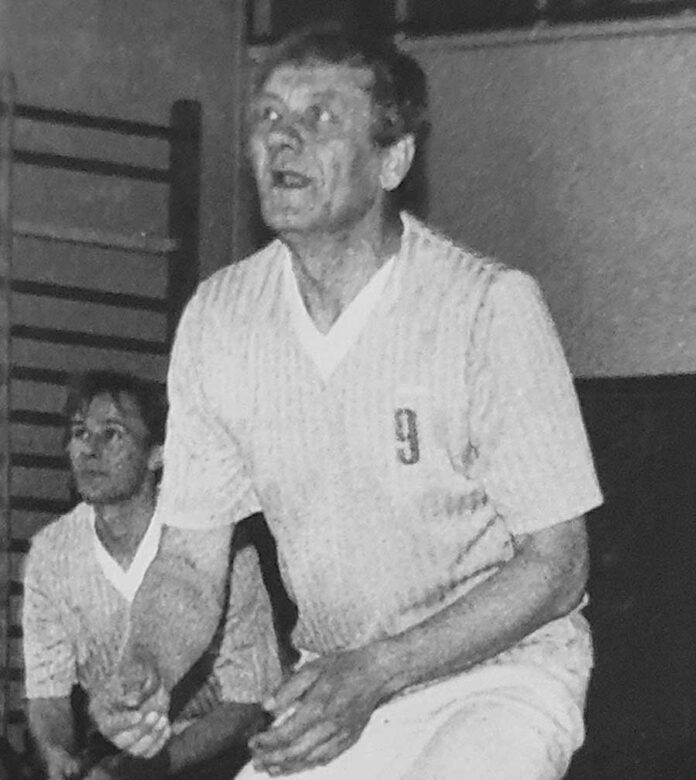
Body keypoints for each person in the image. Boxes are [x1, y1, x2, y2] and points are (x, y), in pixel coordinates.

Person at [92, 23, 604, 780]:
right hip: (334, 689)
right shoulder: (220, 319)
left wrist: (378, 671)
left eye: (320, 118)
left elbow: (558, 566)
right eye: (269, 116)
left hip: (500, 680)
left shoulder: (488, 307)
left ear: (392, 160)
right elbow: (191, 566)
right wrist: (146, 664)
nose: (283, 138)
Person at [22, 371, 281, 780]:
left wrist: (144, 771)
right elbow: (47, 693)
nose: (90, 449)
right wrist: (57, 752)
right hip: (120, 748)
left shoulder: (220, 546)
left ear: (157, 454)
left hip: (218, 753)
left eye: (112, 434)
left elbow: (247, 705)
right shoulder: (50, 554)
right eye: (79, 433)